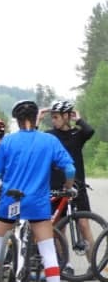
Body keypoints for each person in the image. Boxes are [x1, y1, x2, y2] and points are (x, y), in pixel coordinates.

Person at [0, 100, 76, 282]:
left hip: (11, 201)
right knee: (48, 250)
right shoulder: (49, 141)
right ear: (35, 119)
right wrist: (68, 188)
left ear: (18, 121)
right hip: (37, 203)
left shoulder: (8, 142)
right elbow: (69, 168)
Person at [43, 100, 96, 251]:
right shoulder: (49, 135)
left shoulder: (77, 134)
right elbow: (33, 139)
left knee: (84, 225)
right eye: (52, 117)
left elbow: (89, 131)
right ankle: (66, 264)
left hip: (76, 186)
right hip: (56, 186)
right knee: (59, 228)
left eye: (56, 117)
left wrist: (77, 118)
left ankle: (93, 266)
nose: (53, 120)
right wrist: (38, 119)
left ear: (66, 116)